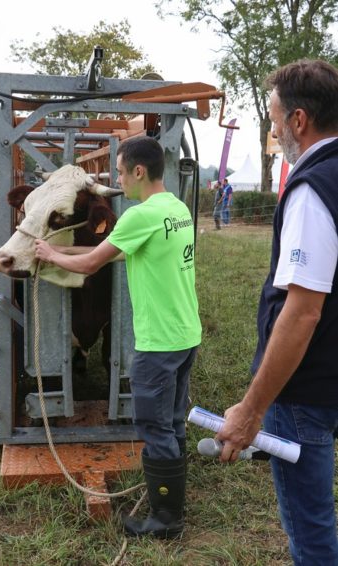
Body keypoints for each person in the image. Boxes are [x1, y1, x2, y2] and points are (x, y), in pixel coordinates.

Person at [34, 136, 202, 539]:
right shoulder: (175, 209)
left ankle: (165, 521)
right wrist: (60, 250)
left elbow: (93, 265)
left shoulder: (138, 216)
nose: (120, 180)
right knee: (172, 421)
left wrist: (50, 256)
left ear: (139, 171)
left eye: (122, 172)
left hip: (158, 344)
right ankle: (172, 501)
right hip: (185, 335)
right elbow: (116, 253)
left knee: (153, 425)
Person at [216, 59, 338, 565]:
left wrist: (251, 409)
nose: (272, 128)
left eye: (273, 117)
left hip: (305, 388)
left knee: (310, 528)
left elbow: (302, 311)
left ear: (299, 121)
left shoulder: (312, 189)